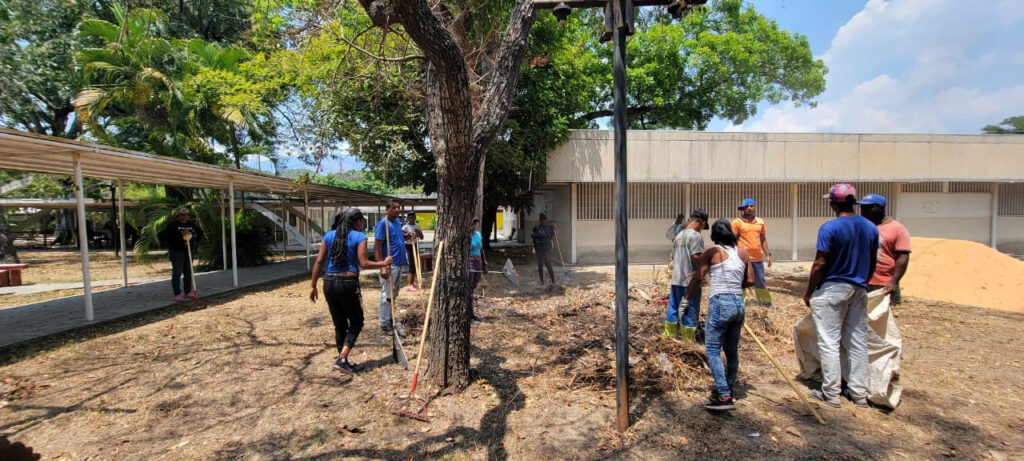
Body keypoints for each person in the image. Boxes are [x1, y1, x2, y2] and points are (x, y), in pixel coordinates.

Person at [802, 184, 878, 408]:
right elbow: (873, 261)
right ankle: (859, 394)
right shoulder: (870, 228)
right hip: (859, 288)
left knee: (829, 341)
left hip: (834, 288)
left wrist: (809, 291)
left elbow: (820, 263)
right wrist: (864, 280)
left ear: (833, 203)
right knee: (857, 341)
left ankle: (831, 393)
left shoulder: (830, 228)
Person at [310, 208, 392, 373]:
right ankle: (342, 358)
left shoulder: (328, 236)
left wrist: (313, 285)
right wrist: (384, 262)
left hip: (329, 283)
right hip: (348, 283)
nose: (362, 223)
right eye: (362, 220)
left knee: (339, 324)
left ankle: (342, 359)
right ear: (357, 221)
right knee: (356, 321)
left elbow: (319, 261)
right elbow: (364, 263)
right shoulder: (359, 237)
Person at [687, 219, 754, 411]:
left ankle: (723, 396)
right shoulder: (743, 253)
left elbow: (699, 277)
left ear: (715, 235)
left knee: (713, 349)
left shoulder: (712, 251)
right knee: (731, 352)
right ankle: (728, 390)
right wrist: (734, 285)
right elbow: (750, 280)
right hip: (738, 304)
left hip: (720, 303)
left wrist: (687, 298)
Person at [663, 209, 708, 342]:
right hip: (690, 282)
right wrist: (708, 261)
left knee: (673, 309)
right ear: (701, 222)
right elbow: (696, 256)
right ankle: (687, 342)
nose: (702, 229)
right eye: (703, 226)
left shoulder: (678, 235)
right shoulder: (695, 236)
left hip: (676, 280)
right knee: (689, 311)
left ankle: (670, 338)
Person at [858, 194, 910, 304]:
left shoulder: (897, 228)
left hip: (884, 283)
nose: (863, 211)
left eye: (868, 207)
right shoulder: (861, 226)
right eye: (862, 207)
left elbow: (903, 256)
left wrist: (894, 282)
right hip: (861, 280)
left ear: (880, 208)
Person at [375, 199, 411, 336]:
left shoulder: (397, 222)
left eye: (398, 207)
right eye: (394, 208)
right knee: (386, 295)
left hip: (399, 263)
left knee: (393, 294)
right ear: (387, 209)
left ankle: (391, 318)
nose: (397, 210)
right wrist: (382, 266)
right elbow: (378, 245)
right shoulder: (382, 224)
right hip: (390, 264)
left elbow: (400, 237)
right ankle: (385, 324)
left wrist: (408, 236)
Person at [732, 198, 773, 307]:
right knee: (742, 282)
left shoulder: (760, 222)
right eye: (747, 206)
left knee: (760, 282)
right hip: (742, 259)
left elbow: (763, 239)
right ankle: (741, 304)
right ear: (743, 208)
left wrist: (768, 255)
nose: (749, 208)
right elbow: (733, 241)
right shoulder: (737, 222)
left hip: (757, 259)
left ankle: (766, 304)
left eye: (751, 206)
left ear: (754, 207)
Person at [158, 207, 203, 301]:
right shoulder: (172, 226)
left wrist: (194, 242)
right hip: (177, 252)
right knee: (177, 272)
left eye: (186, 215)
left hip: (189, 251)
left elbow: (199, 233)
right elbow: (162, 236)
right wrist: (176, 240)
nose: (185, 217)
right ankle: (177, 293)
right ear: (178, 216)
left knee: (188, 272)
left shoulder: (192, 225)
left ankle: (188, 292)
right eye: (182, 215)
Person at [468, 218, 487, 324]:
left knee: (473, 288)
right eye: (472, 224)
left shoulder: (478, 234)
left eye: (475, 224)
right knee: (469, 290)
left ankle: (473, 315)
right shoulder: (466, 237)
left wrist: (484, 264)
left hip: (478, 262)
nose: (473, 226)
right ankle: (469, 316)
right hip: (470, 263)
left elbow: (481, 249)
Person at [531, 212, 556, 285]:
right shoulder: (536, 228)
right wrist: (532, 247)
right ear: (539, 220)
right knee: (540, 265)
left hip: (546, 249)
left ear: (546, 220)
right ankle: (542, 281)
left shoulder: (550, 227)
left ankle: (553, 281)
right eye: (541, 219)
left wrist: (555, 228)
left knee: (548, 264)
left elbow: (553, 236)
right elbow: (532, 238)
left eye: (544, 219)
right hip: (539, 249)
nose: (543, 221)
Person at [403, 211, 425, 292]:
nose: (412, 219)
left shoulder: (417, 226)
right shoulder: (405, 227)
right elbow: (403, 238)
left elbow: (422, 237)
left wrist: (418, 232)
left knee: (416, 265)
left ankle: (414, 283)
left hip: (415, 245)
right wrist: (410, 235)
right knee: (411, 265)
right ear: (408, 218)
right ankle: (410, 284)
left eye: (413, 217)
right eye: (410, 217)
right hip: (408, 246)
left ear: (415, 218)